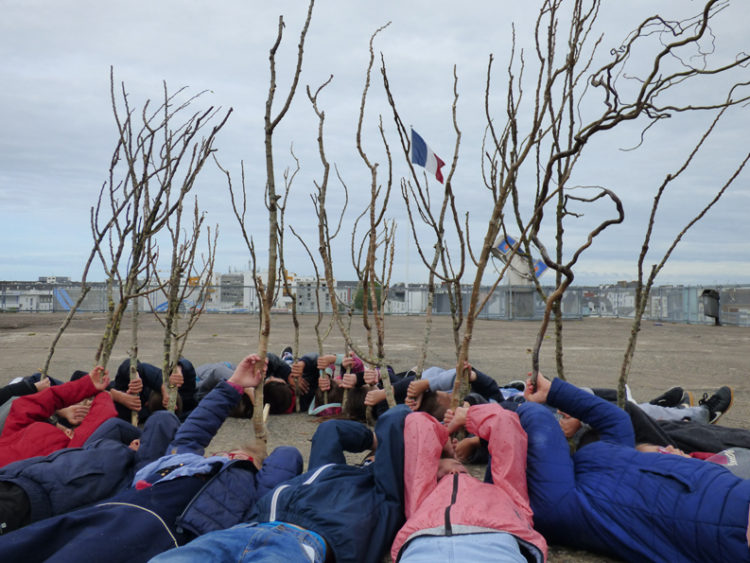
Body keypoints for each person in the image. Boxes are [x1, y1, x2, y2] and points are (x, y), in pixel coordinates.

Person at [0, 354, 303, 562]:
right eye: (225, 452)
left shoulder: (250, 489)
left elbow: (287, 460)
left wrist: (256, 458)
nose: (226, 453)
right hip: (114, 506)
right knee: (28, 543)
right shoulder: (183, 460)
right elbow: (196, 430)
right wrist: (234, 384)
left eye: (234, 455)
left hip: (162, 526)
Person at [517, 372, 750, 562]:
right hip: (726, 526)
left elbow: (615, 418)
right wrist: (532, 407)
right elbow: (543, 422)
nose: (668, 450)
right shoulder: (567, 504)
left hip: (726, 508)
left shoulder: (606, 459)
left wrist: (549, 395)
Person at [151, 404, 412, 563]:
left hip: (300, 545)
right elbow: (329, 431)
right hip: (244, 531)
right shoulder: (326, 472)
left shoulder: (385, 493)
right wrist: (371, 441)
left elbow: (396, 417)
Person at [390, 403, 547, 562]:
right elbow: (418, 426)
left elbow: (505, 425)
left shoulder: (504, 492)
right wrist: (445, 433)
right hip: (426, 546)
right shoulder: (421, 494)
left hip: (497, 546)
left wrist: (466, 418)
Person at [0, 366, 114, 467]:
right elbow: (90, 429)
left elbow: (26, 406)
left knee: (36, 380)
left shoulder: (15, 432)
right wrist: (105, 396)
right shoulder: (68, 454)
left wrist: (87, 386)